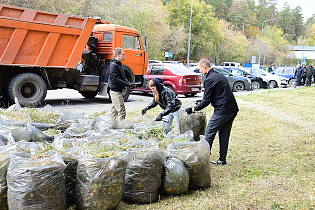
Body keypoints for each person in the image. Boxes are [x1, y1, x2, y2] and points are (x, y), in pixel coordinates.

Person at [185, 59, 239, 166]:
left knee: (209, 133)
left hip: (222, 110)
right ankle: (222, 160)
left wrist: (193, 109)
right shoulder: (219, 75)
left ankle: (202, 162)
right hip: (232, 109)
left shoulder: (209, 79)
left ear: (204, 67)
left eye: (200, 69)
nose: (200, 71)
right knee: (224, 134)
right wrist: (200, 102)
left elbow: (206, 101)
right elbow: (215, 95)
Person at [108, 47, 132, 120]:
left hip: (118, 91)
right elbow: (115, 79)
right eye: (123, 54)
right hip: (115, 92)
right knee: (122, 111)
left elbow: (122, 77)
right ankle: (121, 128)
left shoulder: (119, 64)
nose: (125, 56)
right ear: (118, 55)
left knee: (114, 112)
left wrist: (128, 82)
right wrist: (126, 84)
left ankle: (111, 126)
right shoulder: (113, 65)